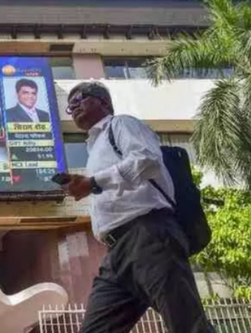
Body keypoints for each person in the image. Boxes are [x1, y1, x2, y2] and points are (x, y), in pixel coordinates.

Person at [58, 81, 215, 333]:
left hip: (149, 236)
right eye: (70, 106)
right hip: (116, 253)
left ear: (103, 101)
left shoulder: (121, 124)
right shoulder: (94, 148)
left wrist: (93, 183)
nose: (73, 107)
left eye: (79, 99)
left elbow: (147, 160)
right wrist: (89, 184)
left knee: (187, 325)